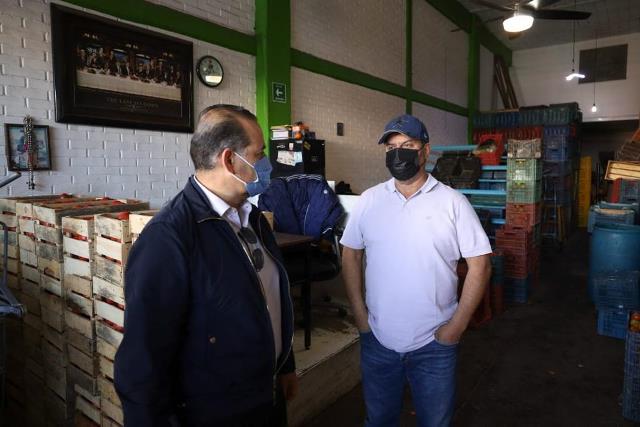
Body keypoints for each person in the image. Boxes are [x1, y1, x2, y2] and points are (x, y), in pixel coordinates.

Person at [114, 104, 298, 427]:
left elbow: (270, 298)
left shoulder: (254, 218)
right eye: (259, 154)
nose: (266, 164)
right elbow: (143, 363)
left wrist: (285, 365)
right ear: (230, 160)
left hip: (265, 399)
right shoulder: (168, 238)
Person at [340, 114, 492, 427]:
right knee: (379, 420)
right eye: (391, 147)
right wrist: (360, 315)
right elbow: (350, 254)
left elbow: (481, 265)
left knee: (434, 422)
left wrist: (456, 327)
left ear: (425, 151)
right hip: (378, 339)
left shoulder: (453, 203)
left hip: (434, 344)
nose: (398, 154)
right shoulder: (369, 201)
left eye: (408, 145)